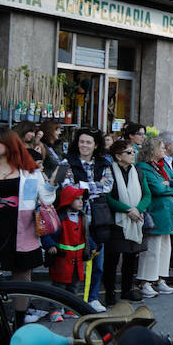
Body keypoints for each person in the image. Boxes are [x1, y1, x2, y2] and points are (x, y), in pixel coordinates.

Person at [0, 129, 53, 298]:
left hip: (21, 228)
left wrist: (52, 183)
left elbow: (46, 198)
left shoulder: (30, 171)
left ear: (10, 145)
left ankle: (19, 319)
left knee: (22, 276)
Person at [64, 127, 112, 310]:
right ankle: (70, 301)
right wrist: (91, 187)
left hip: (98, 219)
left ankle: (92, 298)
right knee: (74, 264)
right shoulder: (67, 162)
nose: (84, 145)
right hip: (75, 220)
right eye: (81, 141)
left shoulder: (103, 162)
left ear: (96, 145)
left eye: (88, 142)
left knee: (97, 264)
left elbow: (107, 186)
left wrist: (82, 187)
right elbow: (68, 187)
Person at [134, 134, 173, 298]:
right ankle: (146, 281)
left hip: (167, 212)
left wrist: (170, 185)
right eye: (161, 147)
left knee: (164, 248)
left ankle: (160, 279)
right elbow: (157, 189)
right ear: (153, 150)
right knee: (152, 249)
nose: (164, 149)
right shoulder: (144, 167)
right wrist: (170, 187)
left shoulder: (162, 166)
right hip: (155, 211)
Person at [102, 139, 146, 304]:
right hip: (117, 220)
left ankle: (128, 289)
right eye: (129, 152)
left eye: (133, 152)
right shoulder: (109, 172)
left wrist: (138, 209)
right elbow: (107, 196)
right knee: (112, 258)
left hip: (135, 219)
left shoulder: (138, 172)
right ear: (118, 156)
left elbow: (146, 194)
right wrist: (128, 209)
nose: (133, 154)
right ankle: (110, 292)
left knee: (131, 256)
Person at [43, 185, 89, 302]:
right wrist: (50, 245)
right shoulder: (59, 218)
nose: (81, 202)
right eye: (77, 199)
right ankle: (55, 309)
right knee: (59, 286)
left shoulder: (82, 217)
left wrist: (92, 247)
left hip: (77, 260)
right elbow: (47, 233)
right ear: (68, 201)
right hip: (62, 260)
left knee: (74, 285)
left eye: (81, 199)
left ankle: (70, 308)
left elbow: (86, 235)